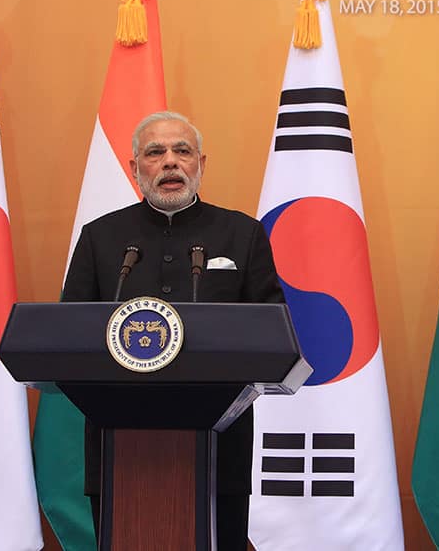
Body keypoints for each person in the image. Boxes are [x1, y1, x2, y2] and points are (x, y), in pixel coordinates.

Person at [61, 110, 285, 550]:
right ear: (134, 168)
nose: (170, 162)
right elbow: (70, 332)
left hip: (221, 447)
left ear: (201, 163)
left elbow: (273, 330)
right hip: (118, 451)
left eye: (182, 151)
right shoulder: (100, 237)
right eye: (155, 152)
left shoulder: (242, 234)